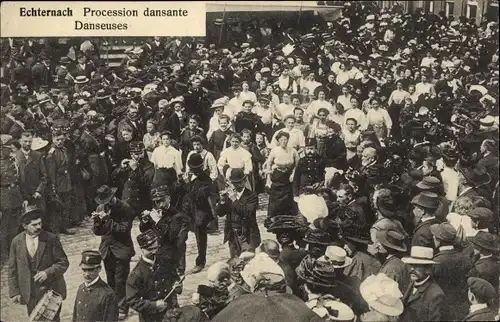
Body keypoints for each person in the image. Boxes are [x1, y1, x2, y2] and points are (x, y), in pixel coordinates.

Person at [8, 204, 69, 320]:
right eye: (34, 225)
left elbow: (64, 262)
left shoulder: (51, 239)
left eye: (40, 223)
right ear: (24, 225)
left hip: (51, 291)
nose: (39, 227)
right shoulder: (16, 242)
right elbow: (12, 269)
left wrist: (47, 272)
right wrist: (15, 292)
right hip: (30, 293)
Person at [92, 185, 135, 320]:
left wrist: (107, 220)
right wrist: (97, 222)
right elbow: (98, 232)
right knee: (111, 280)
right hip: (107, 250)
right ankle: (113, 306)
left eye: (107, 201)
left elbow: (124, 229)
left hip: (121, 249)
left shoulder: (125, 208)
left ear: (112, 198)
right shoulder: (100, 208)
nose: (104, 205)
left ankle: (122, 307)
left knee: (121, 280)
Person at [126, 230, 181, 322]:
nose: (154, 251)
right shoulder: (136, 274)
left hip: (171, 312)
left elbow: (175, 278)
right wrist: (153, 305)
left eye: (156, 248)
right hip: (151, 317)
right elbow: (132, 300)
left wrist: (177, 285)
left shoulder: (165, 261)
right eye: (150, 249)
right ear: (142, 249)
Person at [140, 185, 190, 276]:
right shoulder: (156, 212)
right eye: (157, 202)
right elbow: (144, 230)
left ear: (169, 199)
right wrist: (145, 221)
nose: (160, 204)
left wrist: (158, 221)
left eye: (162, 200)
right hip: (157, 258)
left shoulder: (178, 216)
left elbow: (172, 237)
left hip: (173, 260)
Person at [182, 153, 218, 274]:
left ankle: (200, 262)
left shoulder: (206, 179)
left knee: (200, 235)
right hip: (188, 210)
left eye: (195, 168)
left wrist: (188, 183)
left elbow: (198, 196)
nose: (192, 170)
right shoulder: (189, 177)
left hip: (201, 211)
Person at [430, 222, 472, 321]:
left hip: (441, 308)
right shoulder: (465, 258)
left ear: (439, 240)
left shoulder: (436, 262)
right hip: (461, 306)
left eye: (435, 236)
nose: (433, 238)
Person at [216, 168, 260, 259]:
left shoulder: (252, 196)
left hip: (247, 235)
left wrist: (234, 200)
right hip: (232, 234)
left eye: (240, 182)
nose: (238, 185)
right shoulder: (229, 195)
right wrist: (223, 201)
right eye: (235, 183)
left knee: (248, 260)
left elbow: (247, 213)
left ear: (245, 181)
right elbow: (220, 213)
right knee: (235, 261)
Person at [401, 246, 445, 322]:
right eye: (411, 265)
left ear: (428, 269)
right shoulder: (410, 283)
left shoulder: (436, 295)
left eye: (417, 266)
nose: (412, 269)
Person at [73, 250, 119, 322]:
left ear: (99, 269)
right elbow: (75, 317)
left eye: (91, 270)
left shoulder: (107, 295)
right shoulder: (81, 288)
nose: (87, 274)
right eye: (84, 270)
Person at [265, 131, 299, 218]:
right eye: (281, 140)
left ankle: (288, 215)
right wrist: (268, 179)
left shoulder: (293, 150)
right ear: (278, 141)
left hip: (288, 175)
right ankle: (274, 215)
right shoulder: (275, 150)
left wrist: (293, 174)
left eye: (285, 140)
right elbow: (268, 163)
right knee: (276, 195)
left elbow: (298, 164)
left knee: (288, 195)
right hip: (277, 175)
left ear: (288, 140)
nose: (283, 142)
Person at [45, 129, 73, 235]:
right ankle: (55, 229)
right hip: (58, 183)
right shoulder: (51, 153)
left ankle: (64, 227)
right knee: (56, 207)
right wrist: (53, 186)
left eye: (62, 139)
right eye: (57, 140)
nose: (60, 142)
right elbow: (51, 172)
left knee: (66, 205)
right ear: (53, 139)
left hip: (66, 182)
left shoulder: (64, 150)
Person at [0, 134, 23, 262]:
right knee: (4, 227)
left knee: (15, 226)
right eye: (6, 148)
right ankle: (3, 254)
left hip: (15, 195)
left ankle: (13, 251)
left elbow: (20, 179)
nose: (9, 150)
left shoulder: (13, 160)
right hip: (3, 197)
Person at [15, 131, 47, 210]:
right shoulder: (15, 156)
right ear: (20, 141)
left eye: (30, 141)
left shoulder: (37, 155)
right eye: (25, 141)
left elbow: (44, 175)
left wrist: (39, 191)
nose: (28, 144)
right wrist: (22, 197)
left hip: (36, 195)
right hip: (22, 195)